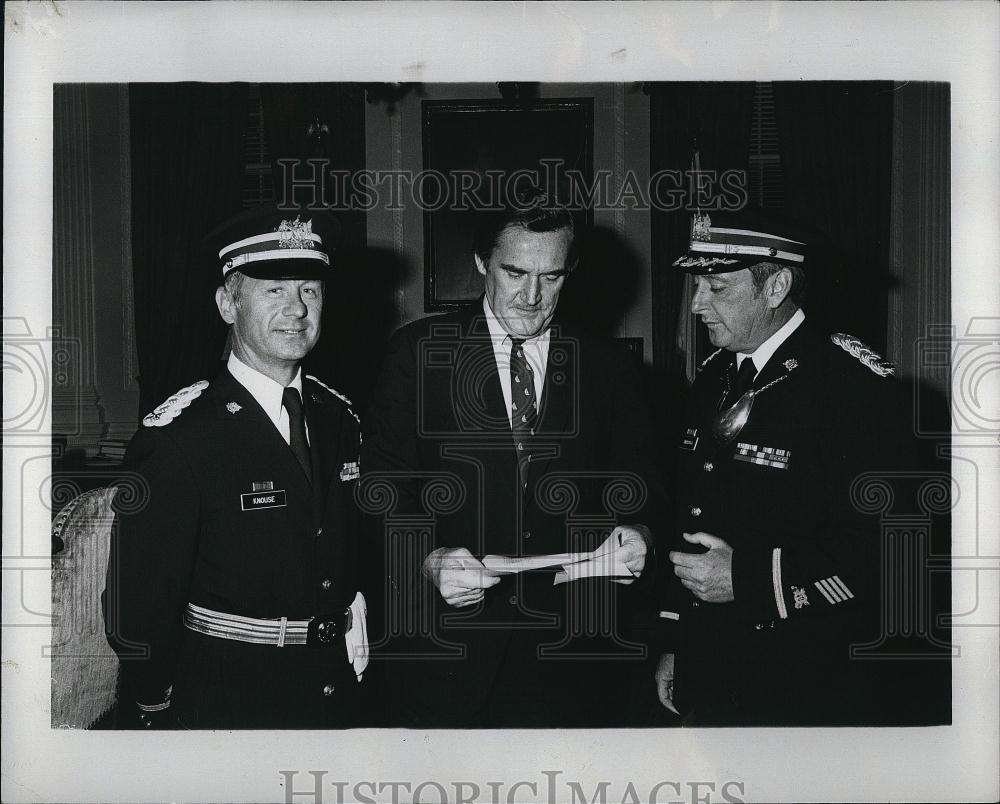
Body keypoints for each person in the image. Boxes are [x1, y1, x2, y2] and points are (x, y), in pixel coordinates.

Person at [362, 190, 666, 727]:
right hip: (447, 657)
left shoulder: (608, 367)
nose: (532, 295)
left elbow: (644, 485)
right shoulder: (417, 353)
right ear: (482, 263)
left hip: (575, 660)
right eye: (515, 272)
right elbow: (382, 490)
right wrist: (428, 560)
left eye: (552, 277)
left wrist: (639, 532)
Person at [657, 211, 932, 725]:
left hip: (809, 679)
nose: (697, 305)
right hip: (713, 663)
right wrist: (677, 643)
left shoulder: (854, 390)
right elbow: (692, 515)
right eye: (697, 286)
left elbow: (894, 549)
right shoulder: (716, 375)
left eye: (716, 287)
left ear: (777, 286)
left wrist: (750, 580)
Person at [103, 206, 369, 729]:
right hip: (228, 699)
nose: (296, 309)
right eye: (273, 290)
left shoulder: (340, 419)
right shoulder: (181, 437)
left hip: (335, 690)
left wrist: (355, 610)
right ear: (228, 303)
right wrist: (153, 705)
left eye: (309, 290)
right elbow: (139, 605)